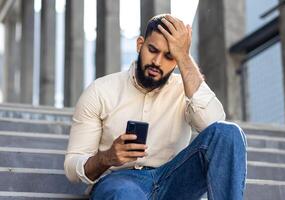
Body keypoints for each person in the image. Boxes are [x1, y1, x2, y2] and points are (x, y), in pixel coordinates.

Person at [64, 14, 247, 200]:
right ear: (139, 45)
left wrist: (183, 57)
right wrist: (106, 157)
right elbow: (72, 166)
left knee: (228, 132)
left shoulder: (187, 90)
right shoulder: (100, 91)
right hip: (120, 181)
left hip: (175, 179)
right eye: (152, 50)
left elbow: (215, 129)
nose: (157, 62)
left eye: (169, 56)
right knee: (123, 193)